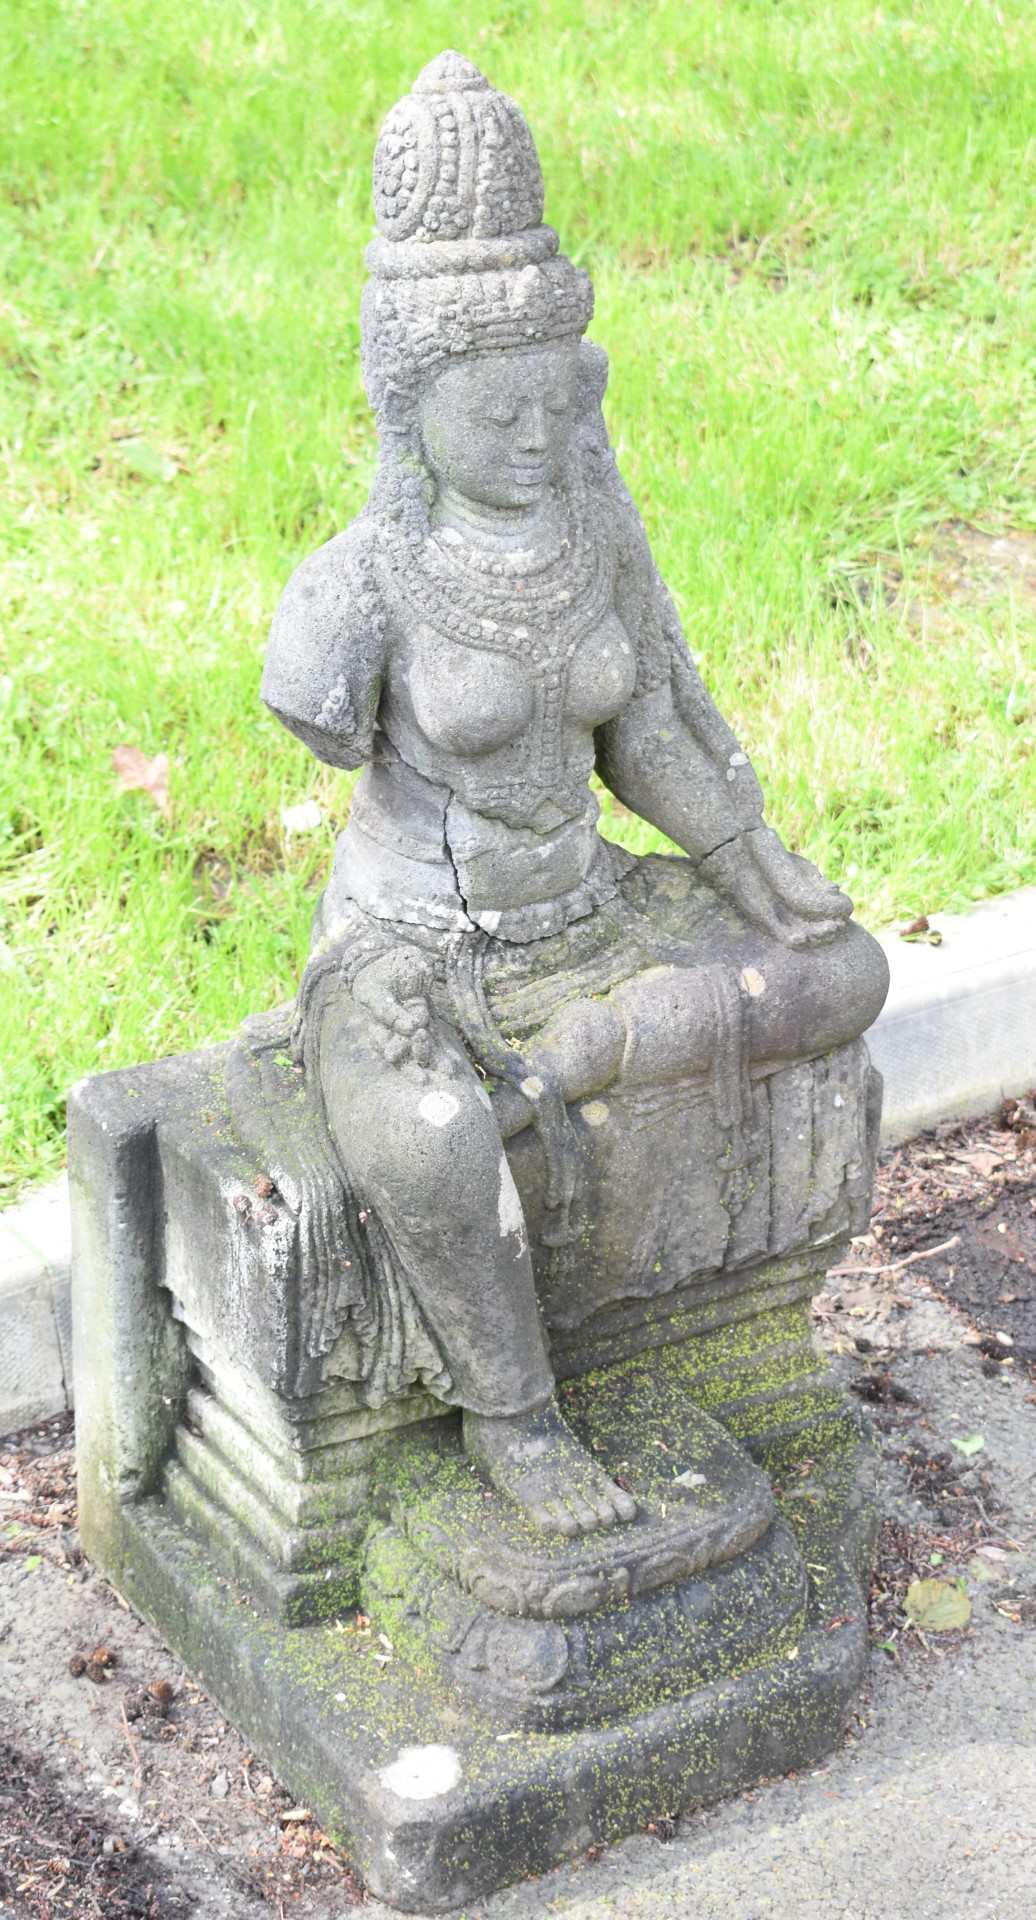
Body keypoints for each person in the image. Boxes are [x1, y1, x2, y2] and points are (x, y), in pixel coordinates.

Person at [254, 52, 889, 1540]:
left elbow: (648, 727)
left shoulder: (593, 533)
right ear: (410, 407)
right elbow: (327, 727)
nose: (541, 438)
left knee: (845, 969)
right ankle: (517, 1417)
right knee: (425, 1136)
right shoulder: (359, 590)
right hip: (413, 947)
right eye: (500, 411)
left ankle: (603, 1051)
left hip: (587, 918)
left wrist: (746, 855)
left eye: (560, 403)